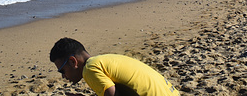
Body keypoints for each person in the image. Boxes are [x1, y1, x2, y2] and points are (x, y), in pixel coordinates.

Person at [50, 38, 180, 96]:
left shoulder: (89, 69)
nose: (63, 76)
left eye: (62, 70)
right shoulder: (105, 60)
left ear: (73, 62)